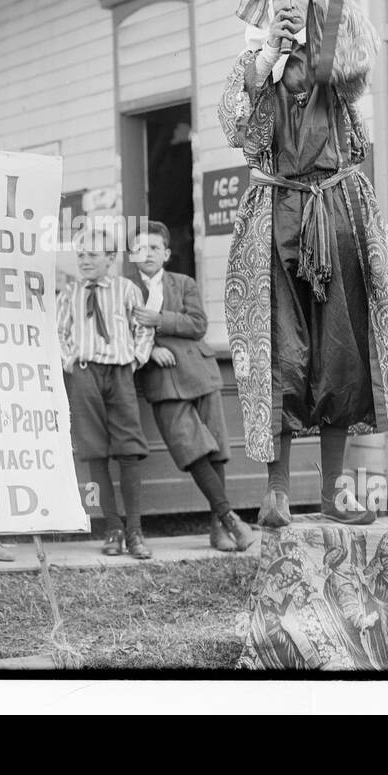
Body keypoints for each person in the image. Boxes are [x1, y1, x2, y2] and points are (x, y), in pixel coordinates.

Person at [218, 0, 388, 529]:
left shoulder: (330, 64)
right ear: (265, 7)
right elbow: (237, 130)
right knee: (280, 353)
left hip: (336, 217)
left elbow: (353, 63)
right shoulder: (254, 67)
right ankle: (276, 493)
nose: (291, 8)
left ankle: (334, 492)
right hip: (274, 222)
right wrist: (266, 60)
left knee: (339, 354)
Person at [129, 221, 257, 552]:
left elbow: (198, 324)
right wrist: (149, 350)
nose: (147, 254)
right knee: (192, 449)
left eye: (154, 248)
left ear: (166, 254)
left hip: (200, 372)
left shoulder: (183, 283)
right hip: (162, 380)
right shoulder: (125, 289)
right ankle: (230, 519)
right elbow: (120, 332)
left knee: (216, 451)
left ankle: (218, 530)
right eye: (140, 248)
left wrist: (160, 321)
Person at [57, 229, 156, 558]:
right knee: (94, 451)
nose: (85, 261)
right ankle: (112, 527)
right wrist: (71, 362)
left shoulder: (126, 289)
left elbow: (144, 328)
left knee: (129, 449)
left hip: (120, 372)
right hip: (85, 374)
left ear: (110, 259)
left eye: (93, 255)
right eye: (81, 255)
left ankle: (135, 531)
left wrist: (136, 360)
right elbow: (59, 332)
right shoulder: (70, 293)